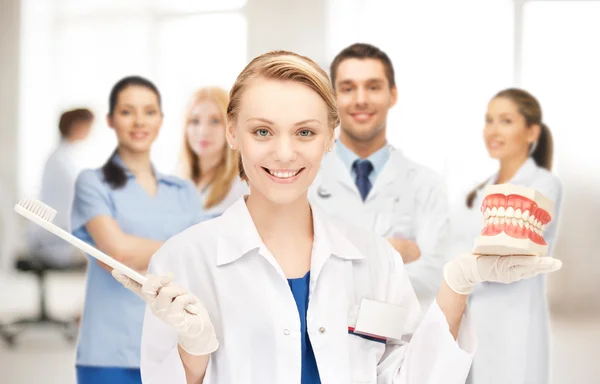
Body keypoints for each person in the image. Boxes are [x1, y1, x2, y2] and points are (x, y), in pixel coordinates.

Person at [112, 51, 562, 384]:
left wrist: (456, 284)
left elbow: (410, 379)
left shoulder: (374, 259)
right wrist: (194, 354)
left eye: (305, 132)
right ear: (233, 132)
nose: (284, 152)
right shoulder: (185, 260)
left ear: (330, 137)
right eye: (262, 131)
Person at [70, 76, 207, 384]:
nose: (139, 121)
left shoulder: (184, 190)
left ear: (161, 120)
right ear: (110, 120)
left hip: (175, 346)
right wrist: (180, 248)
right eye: (127, 111)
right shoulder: (92, 183)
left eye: (149, 111)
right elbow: (116, 253)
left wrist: (144, 249)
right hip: (111, 349)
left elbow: (200, 261)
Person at [309, 43, 450, 309]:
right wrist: (388, 252)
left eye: (373, 87)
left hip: (401, 343)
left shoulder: (426, 184)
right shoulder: (304, 180)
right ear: (332, 98)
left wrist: (341, 263)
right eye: (348, 88)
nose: (361, 99)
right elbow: (296, 268)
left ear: (392, 95)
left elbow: (434, 275)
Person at [449, 88, 563, 384]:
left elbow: (512, 246)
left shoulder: (544, 184)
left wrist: (465, 267)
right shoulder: (476, 193)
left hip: (515, 322)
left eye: (505, 120)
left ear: (531, 132)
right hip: (469, 321)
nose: (492, 130)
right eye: (489, 120)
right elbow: (452, 250)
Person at [27, 108, 93, 268]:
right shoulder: (59, 161)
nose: (90, 132)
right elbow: (64, 207)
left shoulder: (66, 157)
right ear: (76, 125)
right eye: (88, 126)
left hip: (63, 233)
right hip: (54, 239)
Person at [178, 87, 248, 216]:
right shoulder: (177, 179)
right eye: (195, 121)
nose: (203, 131)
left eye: (215, 121)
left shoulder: (242, 185)